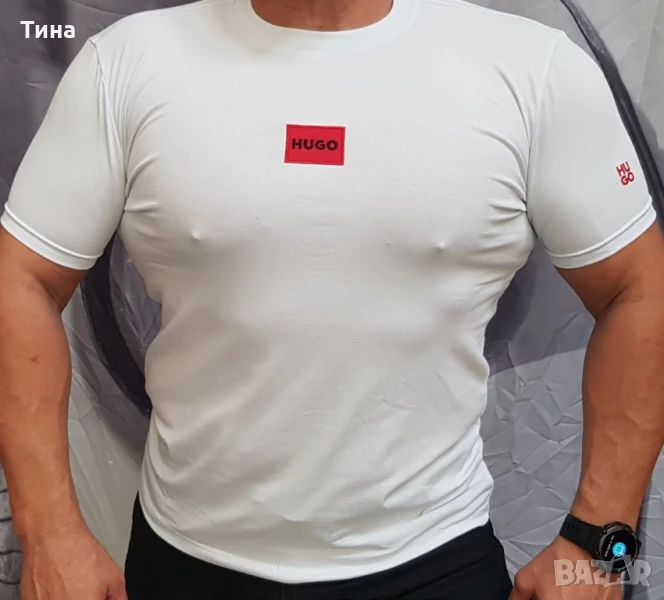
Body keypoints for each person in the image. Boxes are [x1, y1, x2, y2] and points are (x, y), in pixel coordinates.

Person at [1, 0, 664, 598]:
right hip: (186, 562)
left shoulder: (534, 70)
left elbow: (642, 288)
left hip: (436, 564)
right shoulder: (127, 62)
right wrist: (48, 533)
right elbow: (19, 278)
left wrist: (602, 550)